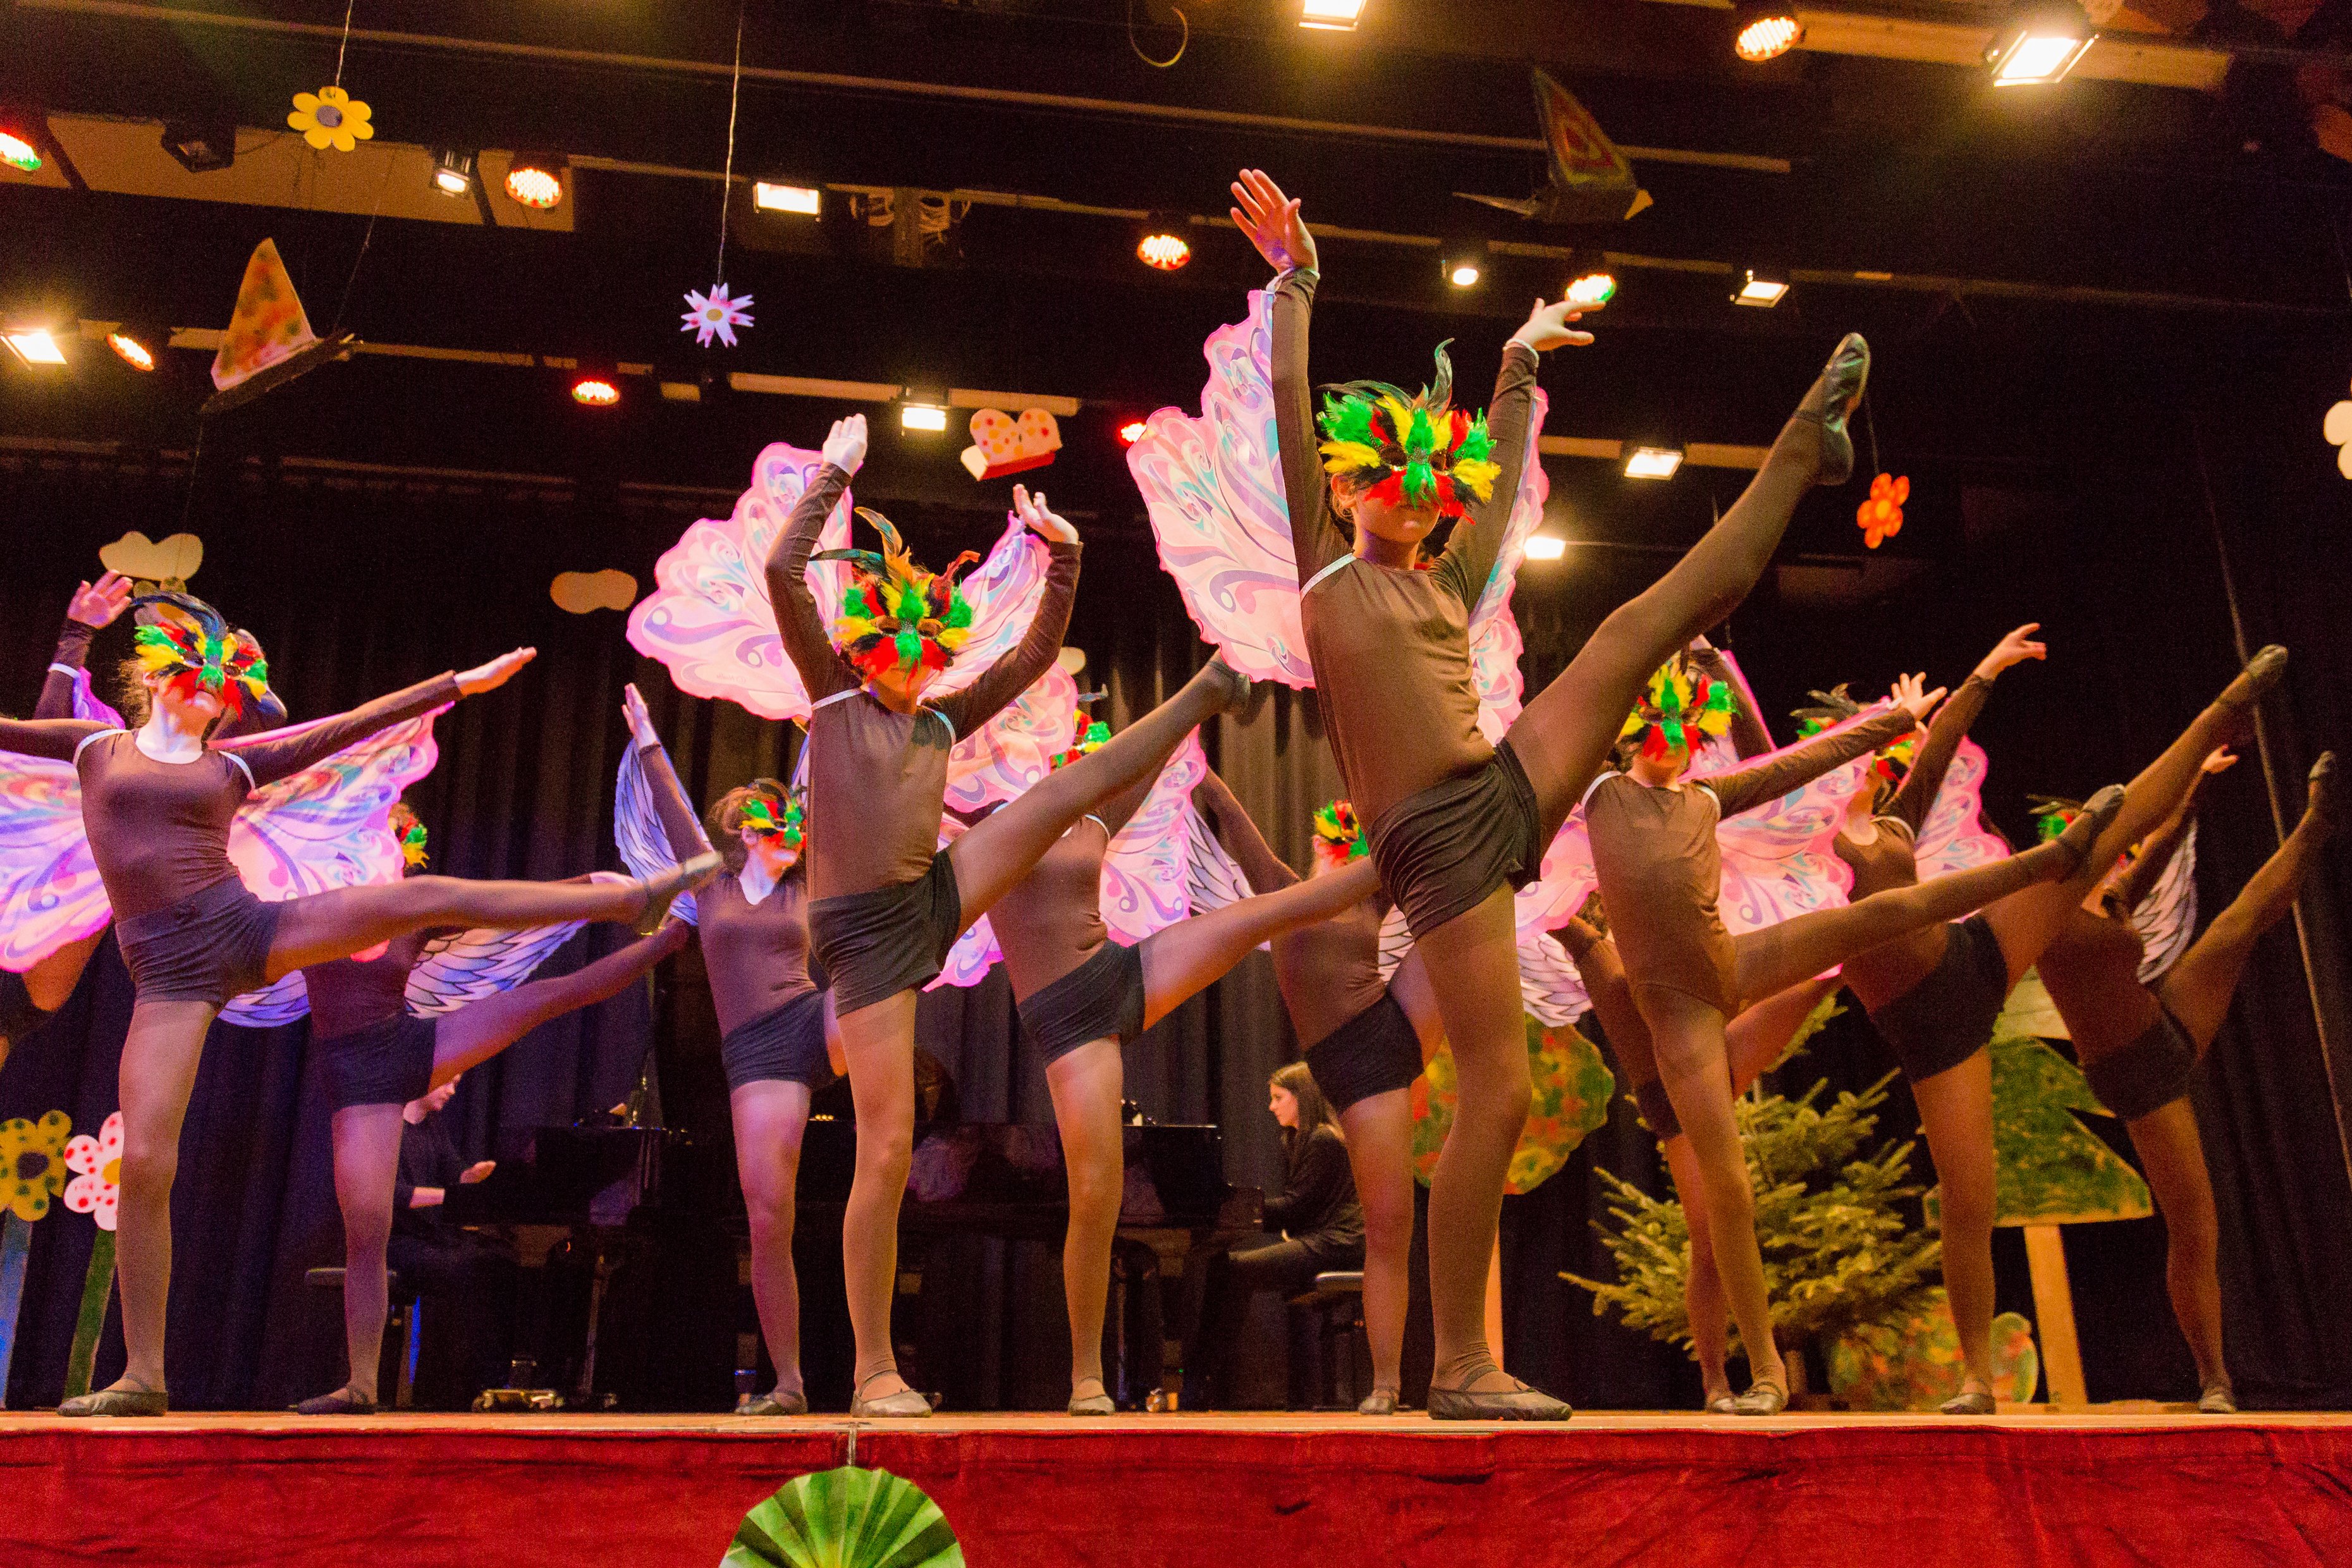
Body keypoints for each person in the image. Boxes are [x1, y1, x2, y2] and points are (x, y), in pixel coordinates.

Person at [1234, 164, 1875, 1417]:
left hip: (1500, 787)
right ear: (1349, 485)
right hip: (1434, 842)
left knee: (1639, 624)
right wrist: (1299, 281)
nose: (1416, 498)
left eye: (1433, 484)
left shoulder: (1447, 579)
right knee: (1502, 1085)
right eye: (1390, 479)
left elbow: (1508, 475)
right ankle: (1459, 1365)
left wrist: (1519, 366)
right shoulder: (1325, 572)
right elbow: (1289, 403)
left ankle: (1806, 450)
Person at [0, 589, 717, 1417]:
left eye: (221, 690)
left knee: (421, 898)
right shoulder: (95, 747)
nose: (209, 697)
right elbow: (19, 736)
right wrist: (75, 635)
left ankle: (631, 901)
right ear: (156, 679)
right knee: (149, 1164)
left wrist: (456, 685)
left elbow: (348, 726)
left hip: (248, 930)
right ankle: (143, 1376)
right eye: (196, 680)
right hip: (169, 977)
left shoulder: (233, 766)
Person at [769, 415, 1253, 1416]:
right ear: (864, 646)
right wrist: (834, 475)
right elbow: (784, 573)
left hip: (932, 897)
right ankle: (872, 1370)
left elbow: (1033, 658)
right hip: (864, 937)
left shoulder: (944, 720)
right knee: (887, 1146)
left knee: (1060, 796)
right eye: (895, 644)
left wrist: (1064, 557)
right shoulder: (833, 700)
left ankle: (1208, 688)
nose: (912, 662)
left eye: (928, 648)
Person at [1579, 658, 2122, 1411]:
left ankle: (2050, 860)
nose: (1673, 740)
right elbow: (1589, 707)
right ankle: (1763, 1371)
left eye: (1686, 726)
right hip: (1684, 1017)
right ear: (1631, 730)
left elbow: (1799, 763)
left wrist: (1893, 722)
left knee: (1882, 914)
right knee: (1729, 1191)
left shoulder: (1707, 796)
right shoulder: (1602, 794)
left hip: (1735, 964)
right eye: (1658, 725)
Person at [980, 730, 1380, 1414]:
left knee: (1264, 911)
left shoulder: (1092, 824)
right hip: (1069, 1013)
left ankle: (1415, 848)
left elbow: (1132, 782)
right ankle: (1087, 1377)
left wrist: (1186, 747)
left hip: (1123, 974)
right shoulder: (998, 826)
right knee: (1096, 1194)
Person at [291, 803, 692, 1415]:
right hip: (355, 1073)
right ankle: (362, 1384)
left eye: (398, 847)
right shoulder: (312, 904)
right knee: (366, 1229)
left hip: (409, 1045)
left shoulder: (413, 909)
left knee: (548, 997)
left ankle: (673, 937)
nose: (391, 857)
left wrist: (588, 890)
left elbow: (500, 907)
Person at [2038, 731, 2332, 1414]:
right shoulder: (2047, 915)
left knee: (2239, 922)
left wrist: (2196, 777)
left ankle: (2321, 818)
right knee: (2196, 1225)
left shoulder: (2112, 898)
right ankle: (2214, 1377)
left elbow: (2164, 839)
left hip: (2165, 1027)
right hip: (2136, 1076)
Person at [1804, 623, 2049, 1412]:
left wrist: (1987, 668)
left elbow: (1937, 752)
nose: (1863, 762)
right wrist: (1710, 659)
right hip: (1931, 1023)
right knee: (1967, 1197)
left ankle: (2149, 798)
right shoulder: (1811, 845)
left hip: (1971, 956)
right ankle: (1976, 1375)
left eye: (1871, 748)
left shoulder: (1897, 821)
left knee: (2077, 854)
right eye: (1849, 749)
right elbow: (1755, 753)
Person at [1192, 773, 1444, 1414]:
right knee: (1387, 1222)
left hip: (1388, 1028)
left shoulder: (1372, 893)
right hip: (1351, 1063)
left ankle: (1386, 1383)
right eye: (1334, 839)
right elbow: (1233, 820)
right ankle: (1386, 1382)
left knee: (1457, 913)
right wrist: (1201, 772)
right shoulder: (1283, 891)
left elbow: (1410, 853)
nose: (1340, 847)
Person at [624, 685, 838, 1417]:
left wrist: (827, 719)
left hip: (812, 1017)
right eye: (772, 826)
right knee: (769, 1217)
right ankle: (789, 1383)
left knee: (878, 972)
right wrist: (647, 737)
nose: (789, 835)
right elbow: (673, 808)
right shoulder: (710, 882)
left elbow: (814, 784)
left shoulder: (805, 881)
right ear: (746, 834)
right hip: (758, 1055)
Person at [1552, 907, 1837, 1411]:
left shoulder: (1661, 915)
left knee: (1826, 970)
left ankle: (1745, 1375)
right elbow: (1551, 912)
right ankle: (1722, 1379)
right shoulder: (1598, 952)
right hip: (1670, 1091)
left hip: (1705, 1052)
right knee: (1709, 1241)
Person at [1, 573, 137, 1068]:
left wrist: (75, 637)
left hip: (37, 953)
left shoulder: (89, 822)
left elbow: (46, 745)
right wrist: (75, 636)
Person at [1184, 1062, 1364, 1411]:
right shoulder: (1306, 1139)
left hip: (1340, 1243)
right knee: (1226, 1268)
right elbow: (1300, 1209)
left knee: (1233, 1269)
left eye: (1279, 1098)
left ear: (1302, 1098)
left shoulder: (1323, 1139)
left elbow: (1297, 1209)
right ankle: (1203, 1380)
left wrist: (1232, 1208)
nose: (1271, 1107)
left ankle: (1204, 1382)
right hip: (1329, 1239)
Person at [386, 1075, 518, 1410]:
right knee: (461, 1267)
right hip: (395, 1241)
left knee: (500, 1259)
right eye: (448, 1082)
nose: (452, 1091)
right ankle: (441, 1390)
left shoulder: (432, 1126)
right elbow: (392, 1194)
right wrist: (452, 1194)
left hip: (430, 1237)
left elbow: (453, 1173)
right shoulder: (387, 1125)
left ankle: (489, 1379)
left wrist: (470, 1177)